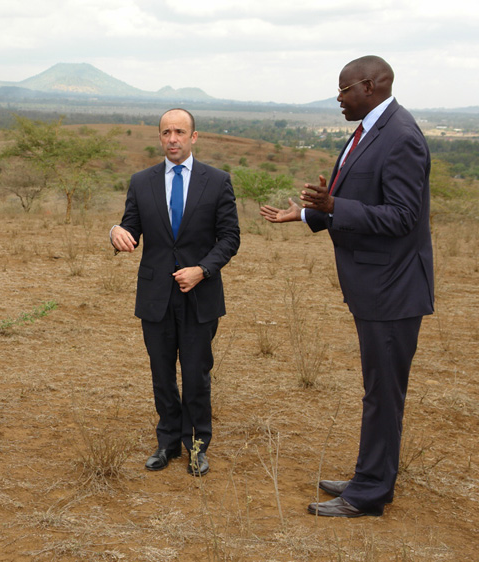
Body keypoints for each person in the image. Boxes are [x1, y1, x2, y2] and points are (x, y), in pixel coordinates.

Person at [260, 56, 434, 517]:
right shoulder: (370, 131)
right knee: (377, 389)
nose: (338, 99)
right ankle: (368, 475)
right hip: (375, 287)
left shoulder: (401, 137)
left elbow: (401, 217)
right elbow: (356, 200)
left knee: (383, 393)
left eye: (343, 90)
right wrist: (303, 213)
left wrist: (334, 204)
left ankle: (370, 494)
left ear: (370, 86)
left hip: (393, 289)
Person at [111, 108, 240, 476]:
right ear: (159, 137)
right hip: (155, 296)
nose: (173, 138)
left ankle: (197, 445)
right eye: (166, 132)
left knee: (197, 373)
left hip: (201, 296)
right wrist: (115, 233)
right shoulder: (141, 181)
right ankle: (167, 442)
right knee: (162, 372)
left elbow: (230, 238)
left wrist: (202, 270)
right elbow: (130, 230)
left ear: (193, 137)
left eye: (180, 132)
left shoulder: (217, 181)